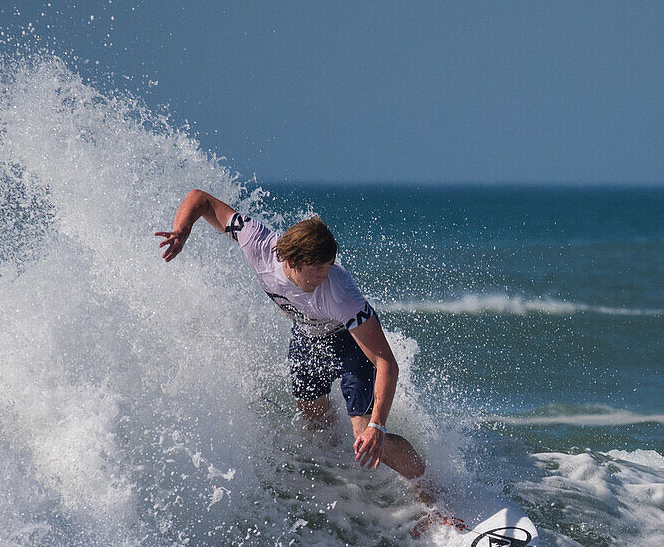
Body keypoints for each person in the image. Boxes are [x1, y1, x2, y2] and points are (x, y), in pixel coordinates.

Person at [156, 190, 454, 528]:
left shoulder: (341, 293)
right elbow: (201, 199)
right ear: (290, 261)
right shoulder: (258, 243)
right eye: (316, 271)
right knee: (316, 422)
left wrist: (377, 426)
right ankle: (343, 480)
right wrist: (181, 231)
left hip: (348, 343)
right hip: (306, 338)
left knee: (369, 439)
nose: (323, 277)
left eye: (328, 269)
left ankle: (432, 493)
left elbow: (387, 363)